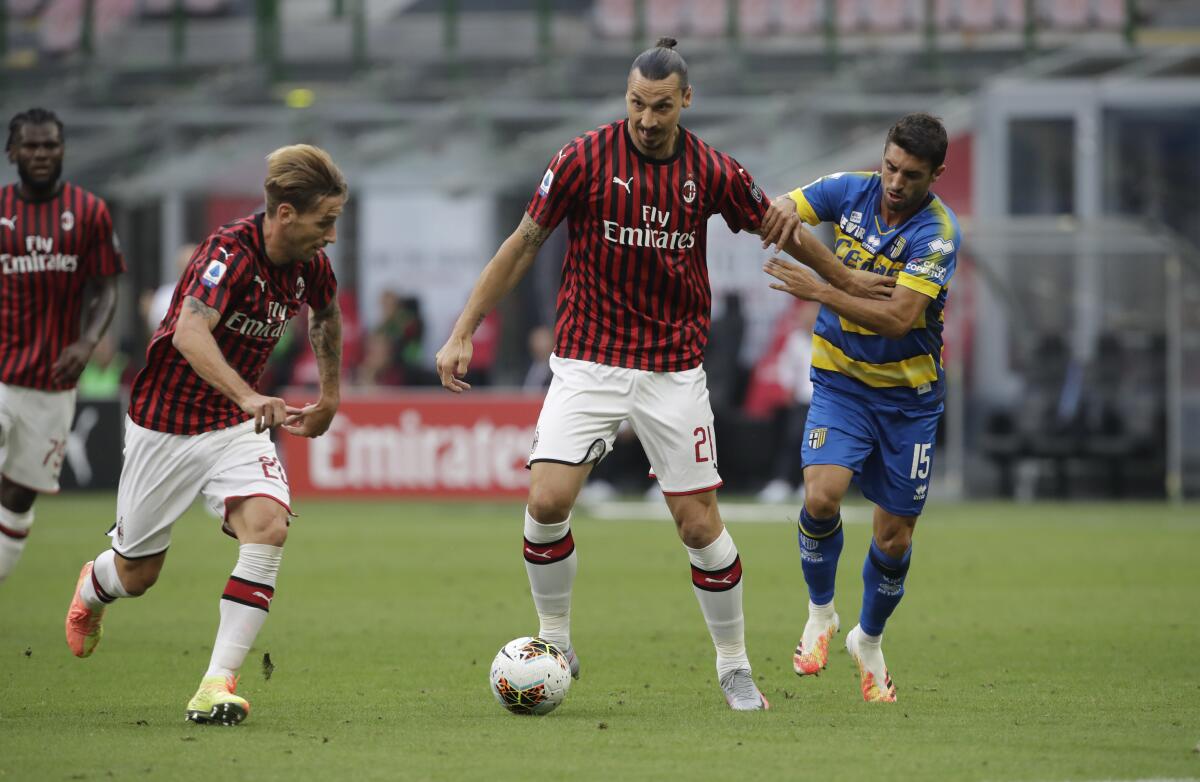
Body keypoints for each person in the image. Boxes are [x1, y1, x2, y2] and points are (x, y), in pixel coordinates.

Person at [435, 38, 888, 711]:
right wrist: (465, 326)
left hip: (673, 370)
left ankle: (733, 666)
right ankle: (555, 639)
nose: (647, 119)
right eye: (637, 104)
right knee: (546, 503)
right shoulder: (582, 158)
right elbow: (523, 243)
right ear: (627, 98)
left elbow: (778, 226)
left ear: (686, 101)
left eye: (661, 107)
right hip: (588, 360)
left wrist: (844, 276)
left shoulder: (710, 169)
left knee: (699, 525)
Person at [64, 144, 347, 726]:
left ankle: (215, 683)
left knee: (269, 525)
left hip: (235, 428)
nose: (332, 236)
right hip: (165, 425)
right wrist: (247, 393)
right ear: (286, 214)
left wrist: (331, 395)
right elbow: (191, 332)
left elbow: (326, 313)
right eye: (326, 221)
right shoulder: (227, 254)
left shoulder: (309, 264)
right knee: (137, 573)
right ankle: (94, 586)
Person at [759, 113, 962, 702]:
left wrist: (822, 290)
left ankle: (868, 640)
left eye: (912, 175)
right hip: (842, 382)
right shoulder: (851, 190)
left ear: (937, 174)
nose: (895, 182)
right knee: (822, 495)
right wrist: (843, 271)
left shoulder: (939, 232)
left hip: (909, 399)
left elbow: (900, 319)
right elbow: (778, 212)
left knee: (894, 536)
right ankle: (821, 613)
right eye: (890, 166)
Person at [0, 107, 125, 585]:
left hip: (52, 383)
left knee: (18, 498)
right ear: (12, 152)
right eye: (30, 145)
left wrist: (87, 341)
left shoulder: (88, 212)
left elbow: (107, 286)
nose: (40, 153)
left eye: (50, 145)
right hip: (2, 372)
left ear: (63, 150)